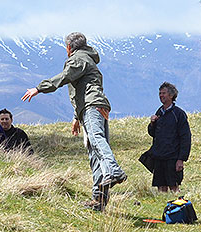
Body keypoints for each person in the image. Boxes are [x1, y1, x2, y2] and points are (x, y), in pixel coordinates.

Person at [21, 32, 127, 212]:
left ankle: (114, 170)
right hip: (94, 106)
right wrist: (77, 117)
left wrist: (39, 88)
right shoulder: (87, 58)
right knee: (94, 153)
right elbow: (82, 88)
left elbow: (65, 77)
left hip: (92, 105)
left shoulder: (78, 59)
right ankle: (99, 200)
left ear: (69, 47)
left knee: (96, 140)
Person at [146, 82, 191, 192]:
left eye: (164, 93)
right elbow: (152, 133)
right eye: (160, 93)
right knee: (161, 186)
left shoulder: (179, 114)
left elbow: (185, 137)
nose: (161, 95)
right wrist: (152, 124)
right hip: (159, 156)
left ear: (171, 95)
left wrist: (181, 159)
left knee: (174, 186)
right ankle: (162, 205)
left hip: (172, 157)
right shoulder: (159, 112)